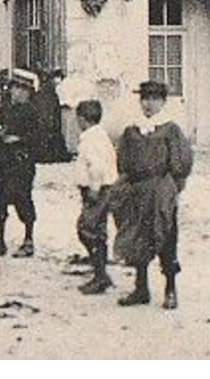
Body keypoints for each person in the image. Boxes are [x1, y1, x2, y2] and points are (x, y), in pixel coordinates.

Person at [111, 79, 193, 309]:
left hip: (160, 191)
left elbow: (181, 163)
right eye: (145, 99)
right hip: (137, 191)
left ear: (163, 102)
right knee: (137, 236)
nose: (148, 104)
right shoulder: (131, 130)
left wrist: (171, 189)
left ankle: (170, 289)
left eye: (154, 99)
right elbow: (123, 161)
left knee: (165, 236)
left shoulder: (170, 129)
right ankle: (141, 288)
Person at [0, 69, 43, 258]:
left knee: (22, 198)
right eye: (15, 88)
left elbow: (39, 139)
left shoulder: (32, 112)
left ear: (29, 92)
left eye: (23, 89)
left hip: (21, 163)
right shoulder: (5, 109)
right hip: (1, 161)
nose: (18, 93)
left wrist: (19, 140)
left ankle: (28, 239)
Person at [72, 99, 118, 295]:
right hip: (102, 188)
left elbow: (97, 166)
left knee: (87, 229)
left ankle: (100, 274)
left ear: (82, 120)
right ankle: (99, 271)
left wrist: (94, 188)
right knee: (96, 229)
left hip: (98, 189)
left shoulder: (90, 139)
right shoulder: (100, 135)